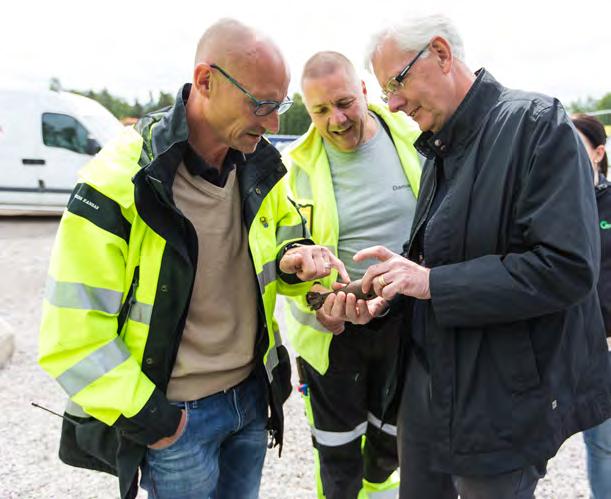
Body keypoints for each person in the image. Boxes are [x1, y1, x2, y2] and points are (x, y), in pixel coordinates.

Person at [38, 18, 348, 499]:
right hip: (179, 420)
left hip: (251, 399)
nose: (271, 124)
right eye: (261, 104)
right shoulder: (117, 183)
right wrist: (154, 419)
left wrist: (298, 263)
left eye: (279, 106)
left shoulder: (261, 167)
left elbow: (283, 252)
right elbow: (71, 336)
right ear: (205, 81)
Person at [322, 14, 611, 499]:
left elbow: (566, 268)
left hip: (499, 399)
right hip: (428, 390)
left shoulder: (536, 126)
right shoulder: (439, 145)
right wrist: (383, 294)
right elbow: (443, 260)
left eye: (396, 81)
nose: (391, 102)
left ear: (440, 53)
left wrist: (430, 283)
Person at [283, 51, 421, 499]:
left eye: (344, 102)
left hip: (409, 323)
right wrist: (322, 304)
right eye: (320, 110)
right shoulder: (291, 172)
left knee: (390, 448)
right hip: (334, 335)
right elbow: (287, 259)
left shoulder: (414, 136)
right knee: (338, 460)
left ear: (364, 90)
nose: (336, 119)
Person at [572, 114, 611, 499]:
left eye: (577, 148)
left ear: (599, 153)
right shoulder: (553, 204)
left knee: (604, 442)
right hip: (572, 345)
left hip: (609, 343)